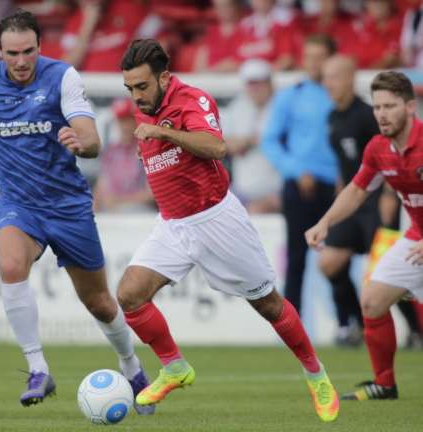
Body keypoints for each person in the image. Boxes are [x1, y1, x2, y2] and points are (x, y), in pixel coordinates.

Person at [0, 9, 153, 413]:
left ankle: (132, 367)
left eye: (28, 51)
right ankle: (38, 368)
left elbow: (91, 138)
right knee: (12, 266)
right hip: (18, 203)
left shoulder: (62, 77)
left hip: (68, 206)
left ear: (39, 47)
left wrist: (81, 141)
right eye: (12, 53)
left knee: (100, 302)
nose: (20, 61)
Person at [117, 38, 339, 422]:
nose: (136, 96)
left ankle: (316, 374)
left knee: (268, 304)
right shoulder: (144, 109)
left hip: (216, 219)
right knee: (130, 294)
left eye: (142, 86)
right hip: (173, 224)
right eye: (130, 89)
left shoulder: (192, 100)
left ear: (165, 77)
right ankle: (174, 367)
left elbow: (216, 148)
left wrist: (165, 134)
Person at [306, 70, 421, 401]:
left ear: (410, 107)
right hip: (416, 239)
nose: (382, 114)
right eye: (377, 107)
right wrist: (325, 221)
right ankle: (384, 384)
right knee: (371, 301)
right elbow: (357, 191)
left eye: (390, 106)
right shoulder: (377, 148)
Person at [261, 33, 338, 317]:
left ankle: (348, 324)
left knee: (340, 256)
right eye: (309, 57)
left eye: (320, 58)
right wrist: (296, 169)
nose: (314, 64)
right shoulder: (290, 96)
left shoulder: (341, 96)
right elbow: (269, 140)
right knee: (297, 258)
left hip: (339, 188)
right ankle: (293, 324)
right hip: (300, 185)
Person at [319, 54, 384, 346]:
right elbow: (343, 165)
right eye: (325, 77)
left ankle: (416, 331)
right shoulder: (332, 117)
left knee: (388, 270)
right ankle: (353, 324)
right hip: (352, 200)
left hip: (377, 200)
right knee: (329, 262)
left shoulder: (368, 115)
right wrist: (338, 198)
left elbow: (387, 159)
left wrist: (391, 202)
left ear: (349, 78)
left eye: (333, 77)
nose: (327, 84)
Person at [222, 58, 281, 213]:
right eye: (251, 83)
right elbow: (224, 144)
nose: (255, 88)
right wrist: (250, 140)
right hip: (242, 189)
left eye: (259, 83)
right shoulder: (238, 106)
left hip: (276, 190)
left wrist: (245, 141)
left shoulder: (281, 106)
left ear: (269, 83)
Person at [92, 97, 155, 213]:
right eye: (121, 120)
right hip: (111, 213)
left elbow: (151, 194)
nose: (125, 125)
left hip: (140, 212)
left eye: (128, 120)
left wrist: (119, 201)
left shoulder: (147, 150)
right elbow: (100, 188)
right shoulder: (110, 152)